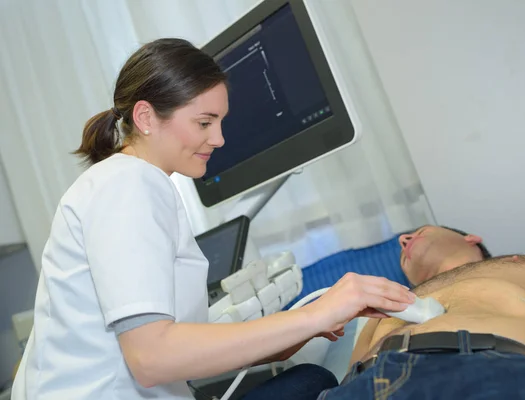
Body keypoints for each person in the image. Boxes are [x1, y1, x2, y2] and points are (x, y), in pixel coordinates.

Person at [11, 38, 415, 400]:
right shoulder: (127, 185)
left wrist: (302, 326)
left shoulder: (130, 184)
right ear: (146, 117)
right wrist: (316, 314)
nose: (219, 139)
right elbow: (152, 358)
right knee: (311, 381)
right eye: (204, 123)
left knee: (307, 378)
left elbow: (183, 350)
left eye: (220, 122)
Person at [316, 225, 525, 399]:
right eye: (402, 251)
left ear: (471, 238)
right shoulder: (385, 305)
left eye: (420, 231)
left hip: (491, 372)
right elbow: (351, 371)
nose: (403, 239)